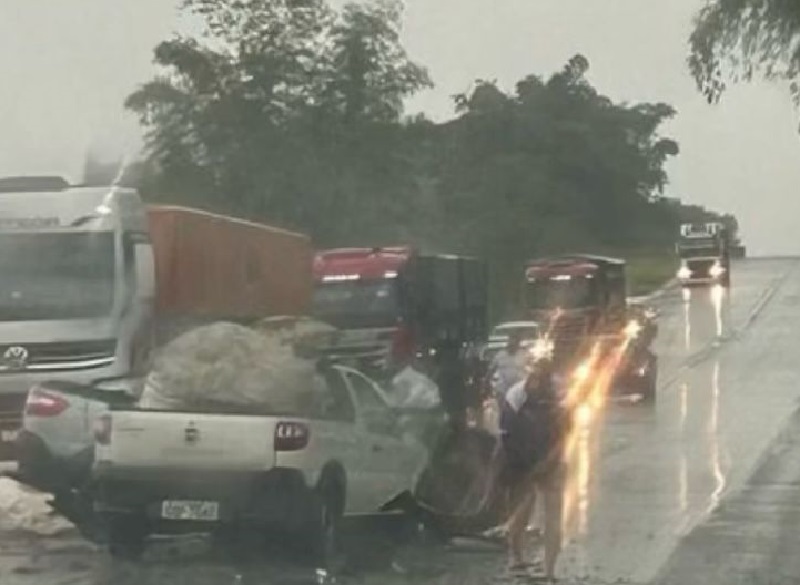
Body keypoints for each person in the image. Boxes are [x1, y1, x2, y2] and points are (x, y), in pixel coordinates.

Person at [499, 353, 570, 581]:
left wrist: (549, 461)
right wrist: (524, 467)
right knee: (521, 510)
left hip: (550, 459)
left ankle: (550, 570)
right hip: (521, 460)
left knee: (553, 515)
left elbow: (565, 435)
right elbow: (507, 436)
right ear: (530, 378)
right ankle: (517, 556)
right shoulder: (516, 396)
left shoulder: (559, 395)